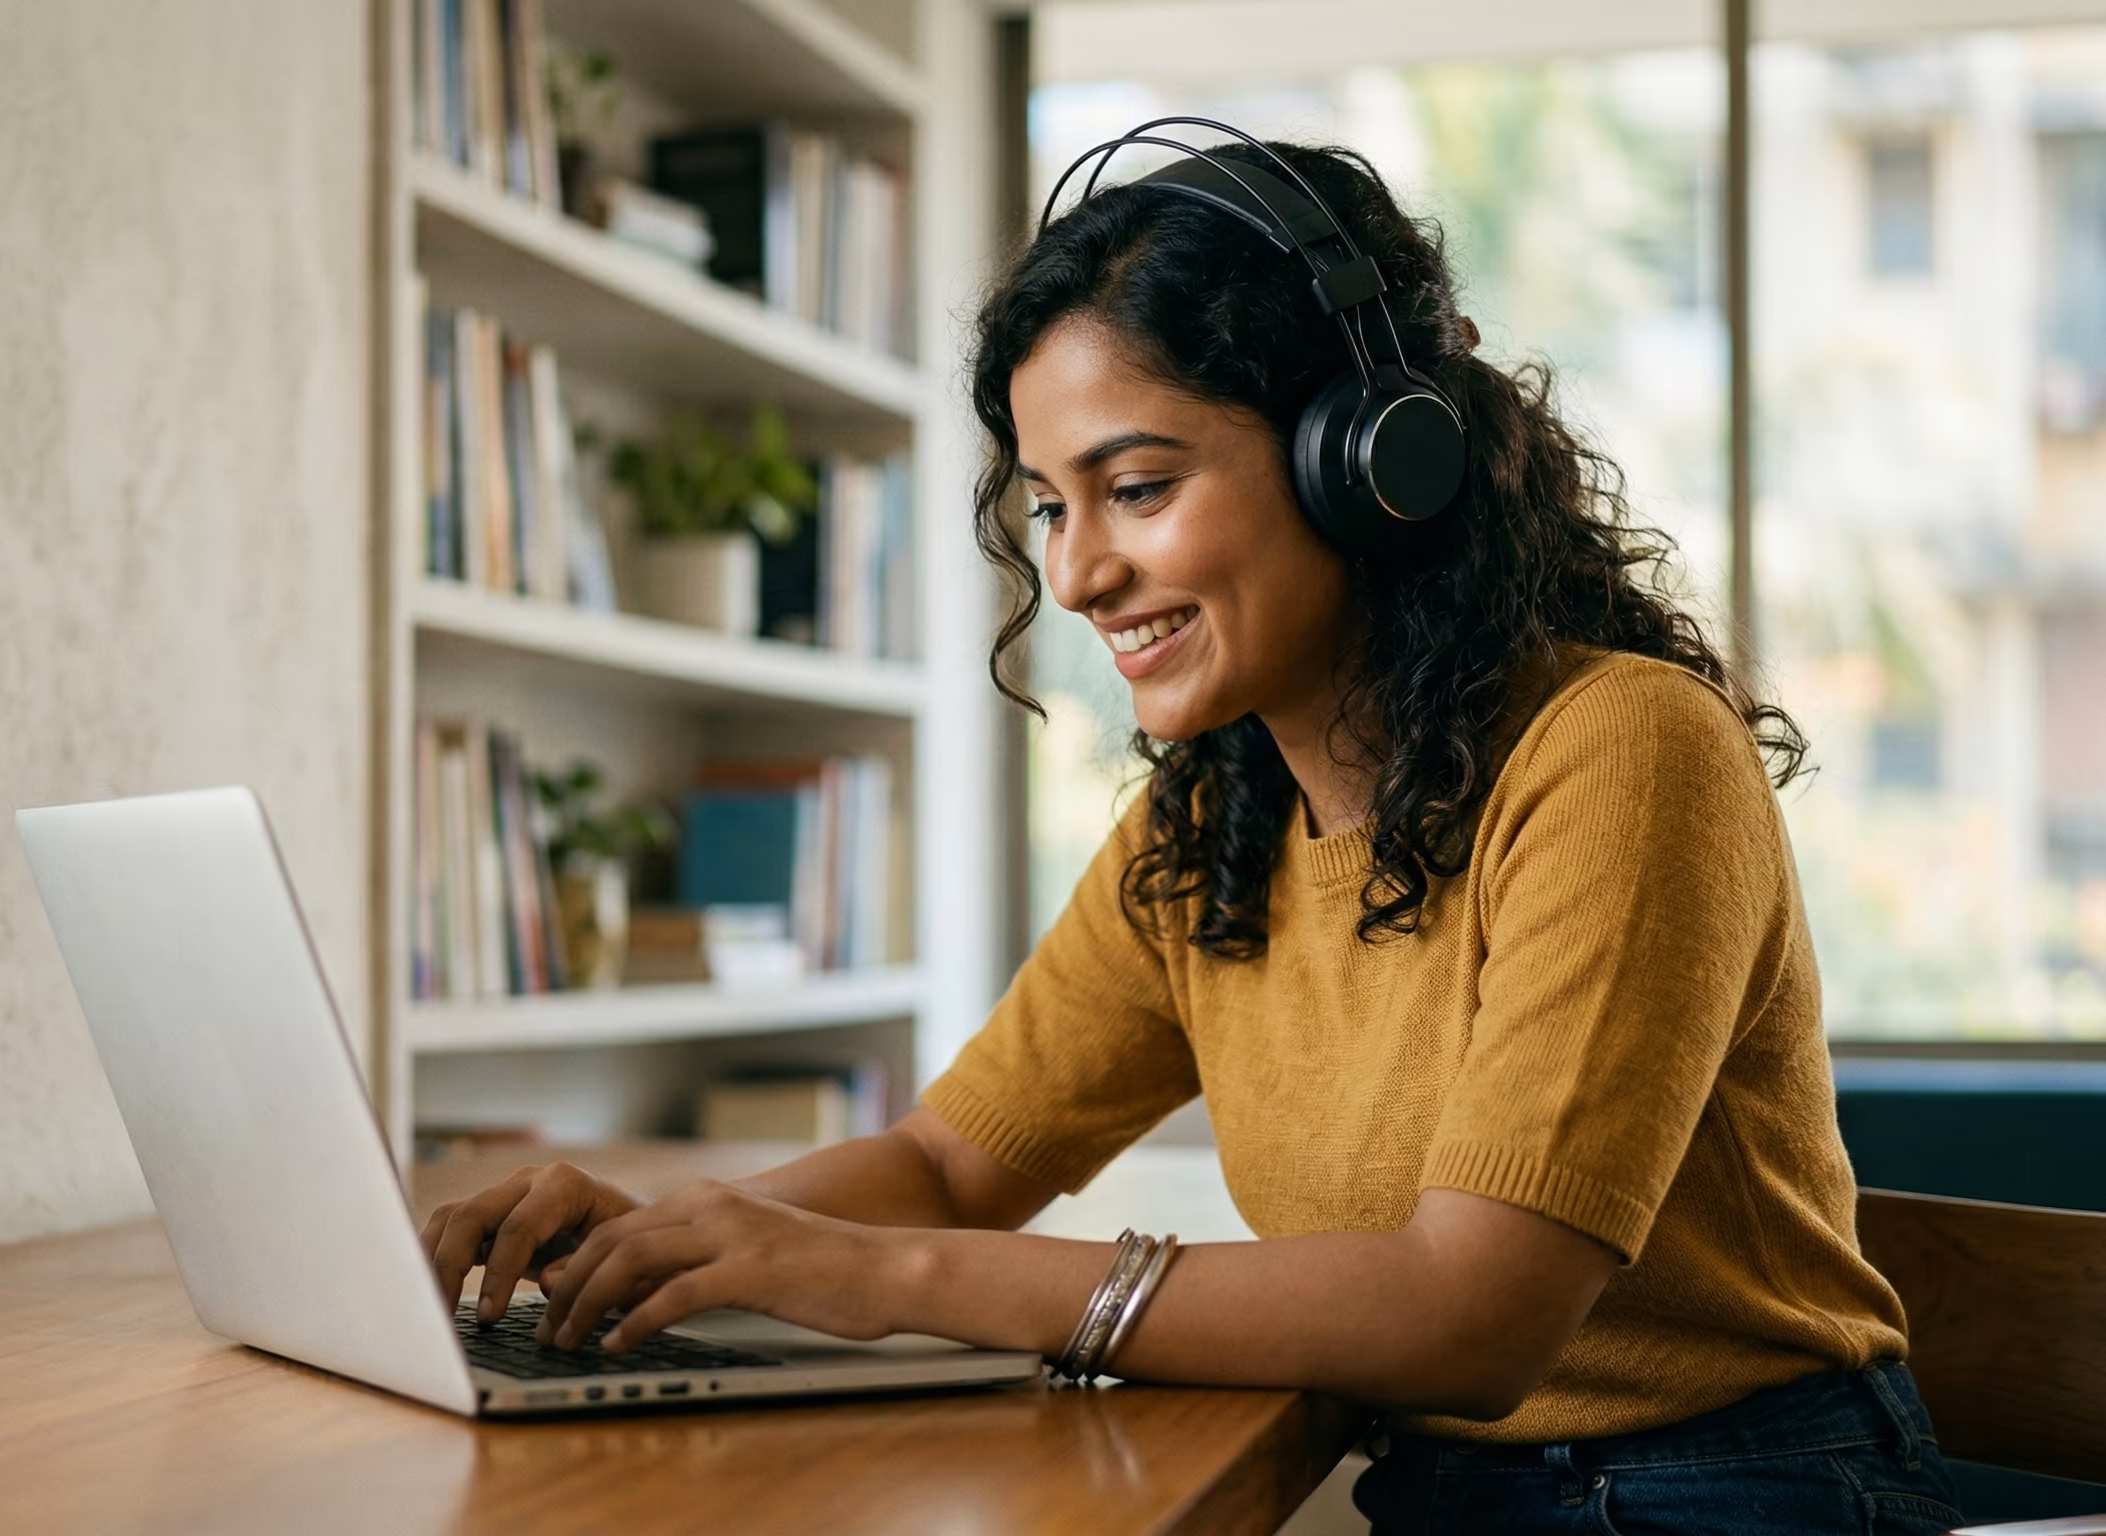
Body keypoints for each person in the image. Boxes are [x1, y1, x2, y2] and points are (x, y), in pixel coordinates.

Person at [421, 135, 1967, 1534]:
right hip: (1445, 1501)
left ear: (1365, 459)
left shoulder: (1620, 751)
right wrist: (681, 1241)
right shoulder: (1213, 818)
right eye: (1046, 508)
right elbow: (953, 1164)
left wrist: (880, 1280)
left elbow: (1467, 1319)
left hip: (1735, 1499)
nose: (1081, 573)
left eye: (1137, 487)